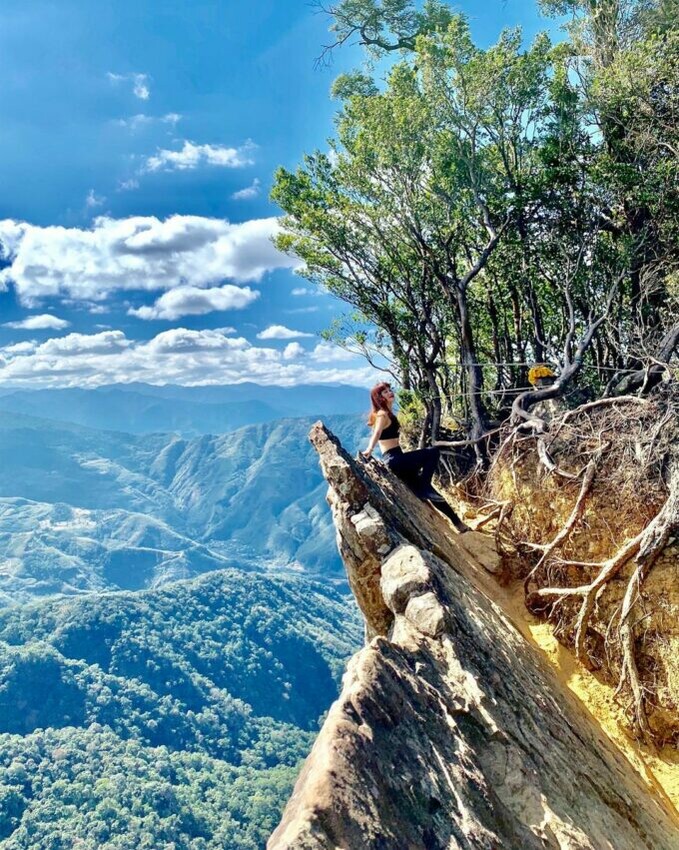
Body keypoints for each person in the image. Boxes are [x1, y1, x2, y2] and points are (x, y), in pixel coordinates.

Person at [361, 381, 469, 533]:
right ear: (379, 398)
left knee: (431, 493)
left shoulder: (389, 413)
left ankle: (458, 524)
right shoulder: (381, 414)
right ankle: (425, 486)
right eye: (384, 392)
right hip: (394, 459)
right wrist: (369, 449)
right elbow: (377, 433)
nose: (390, 392)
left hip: (398, 459)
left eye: (389, 389)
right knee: (433, 452)